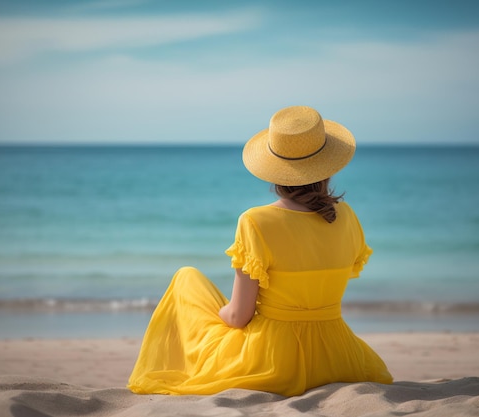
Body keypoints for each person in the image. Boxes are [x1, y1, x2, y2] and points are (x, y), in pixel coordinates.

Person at [128, 105, 393, 396]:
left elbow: (239, 317)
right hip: (339, 357)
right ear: (327, 167)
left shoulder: (255, 221)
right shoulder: (347, 216)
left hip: (273, 360)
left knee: (186, 279)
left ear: (275, 169)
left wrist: (213, 313)